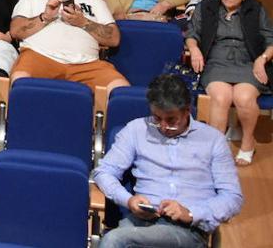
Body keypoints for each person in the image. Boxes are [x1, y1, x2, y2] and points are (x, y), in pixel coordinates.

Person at [93, 74, 242, 246]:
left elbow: (232, 197)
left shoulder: (213, 140)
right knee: (120, 239)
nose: (163, 126)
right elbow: (103, 172)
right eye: (157, 118)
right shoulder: (136, 130)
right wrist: (128, 200)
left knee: (115, 240)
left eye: (171, 120)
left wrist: (192, 213)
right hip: (140, 223)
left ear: (187, 111)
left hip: (186, 229)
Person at [187, 0, 272, 166]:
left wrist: (262, 59)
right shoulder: (206, 7)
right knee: (221, 96)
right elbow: (192, 33)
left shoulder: (256, 9)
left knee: (243, 97)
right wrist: (195, 50)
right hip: (216, 60)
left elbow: (270, 39)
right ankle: (218, 149)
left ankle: (248, 142)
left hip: (248, 61)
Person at [9, 0, 128, 91]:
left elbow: (114, 39)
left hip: (87, 65)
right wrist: (45, 18)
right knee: (20, 80)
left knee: (120, 89)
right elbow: (15, 31)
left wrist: (83, 22)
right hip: (39, 57)